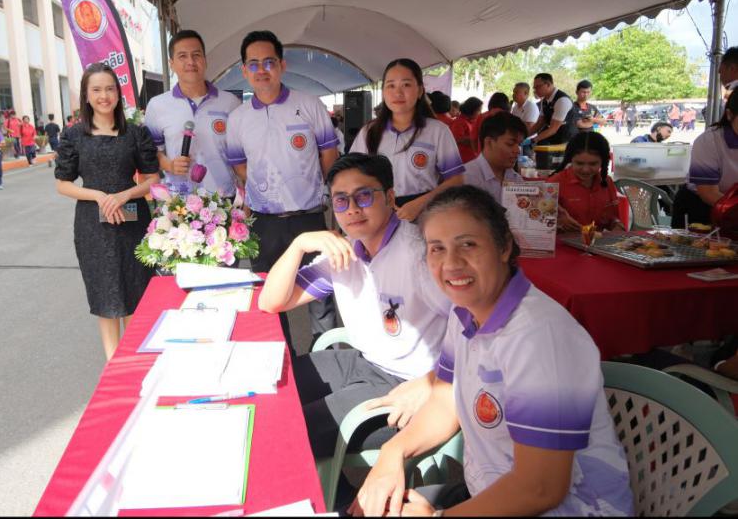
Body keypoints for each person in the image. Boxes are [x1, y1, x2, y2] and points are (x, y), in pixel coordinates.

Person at [351, 185, 633, 517]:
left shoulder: (539, 337)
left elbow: (540, 488)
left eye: (468, 245)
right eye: (437, 248)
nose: (451, 263)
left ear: (504, 246)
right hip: (489, 494)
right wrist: (392, 452)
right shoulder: (464, 313)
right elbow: (444, 400)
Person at [258, 153, 450, 458]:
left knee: (287, 432)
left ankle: (335, 487)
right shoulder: (347, 251)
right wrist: (299, 244)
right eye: (341, 200)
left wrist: (432, 382)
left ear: (390, 198)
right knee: (269, 386)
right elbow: (272, 302)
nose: (352, 209)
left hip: (407, 384)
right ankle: (335, 479)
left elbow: (479, 331)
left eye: (363, 196)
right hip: (363, 362)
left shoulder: (421, 255)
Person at [225, 30, 339, 355]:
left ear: (282, 65)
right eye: (253, 64)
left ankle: (327, 362)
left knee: (321, 297)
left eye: (269, 62)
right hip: (264, 224)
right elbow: (239, 165)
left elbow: (329, 156)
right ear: (244, 70)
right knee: (269, 299)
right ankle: (280, 362)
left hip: (309, 218)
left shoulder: (310, 105)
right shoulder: (238, 119)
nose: (262, 70)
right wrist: (265, 189)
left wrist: (311, 187)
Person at [55, 63, 161, 360]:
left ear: (118, 93)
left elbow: (153, 180)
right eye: (97, 90)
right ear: (86, 96)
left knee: (136, 292)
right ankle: (113, 365)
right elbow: (62, 184)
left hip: (133, 222)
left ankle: (136, 362)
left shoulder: (135, 134)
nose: (104, 96)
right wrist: (99, 196)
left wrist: (126, 193)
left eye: (110, 89)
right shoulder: (74, 136)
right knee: (106, 296)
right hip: (93, 227)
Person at [350, 59, 464, 221]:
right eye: (391, 85)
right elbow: (352, 174)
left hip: (424, 216)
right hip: (377, 214)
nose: (398, 93)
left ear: (420, 91)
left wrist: (421, 203)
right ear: (383, 92)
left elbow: (456, 180)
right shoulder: (368, 132)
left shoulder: (438, 131)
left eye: (406, 85)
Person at [145, 30, 241, 198]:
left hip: (224, 198)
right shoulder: (157, 106)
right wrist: (169, 165)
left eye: (196, 55)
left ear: (205, 60)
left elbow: (242, 155)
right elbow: (151, 151)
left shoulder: (230, 103)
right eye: (182, 56)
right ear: (171, 64)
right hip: (179, 203)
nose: (190, 61)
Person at [672, 89, 738, 228]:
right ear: (729, 115)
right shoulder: (710, 141)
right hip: (701, 207)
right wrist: (733, 211)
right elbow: (708, 193)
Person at [548, 131, 626, 232]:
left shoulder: (606, 181)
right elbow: (538, 220)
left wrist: (617, 225)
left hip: (597, 240)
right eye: (579, 163)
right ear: (570, 160)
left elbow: (612, 218)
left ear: (603, 162)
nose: (585, 170)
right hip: (563, 240)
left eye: (593, 164)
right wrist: (556, 221)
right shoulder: (554, 183)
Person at [463, 112, 527, 203]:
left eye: (519, 144)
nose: (517, 150)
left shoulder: (515, 178)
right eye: (510, 144)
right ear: (489, 142)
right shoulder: (467, 178)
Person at [532, 73, 576, 146]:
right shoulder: (544, 101)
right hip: (552, 139)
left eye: (538, 87)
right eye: (534, 88)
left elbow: (553, 129)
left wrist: (533, 140)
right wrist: (524, 136)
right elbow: (540, 123)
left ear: (548, 84)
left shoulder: (562, 100)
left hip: (566, 141)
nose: (535, 90)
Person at [472, 92, 509, 156]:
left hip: (483, 154)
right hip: (502, 155)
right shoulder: (509, 117)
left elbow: (473, 138)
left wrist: (477, 153)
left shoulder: (481, 116)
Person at [450, 96, 482, 163]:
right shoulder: (459, 122)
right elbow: (458, 139)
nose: (480, 113)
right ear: (471, 110)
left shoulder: (473, 121)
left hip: (472, 159)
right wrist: (478, 139)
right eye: (479, 110)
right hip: (463, 160)